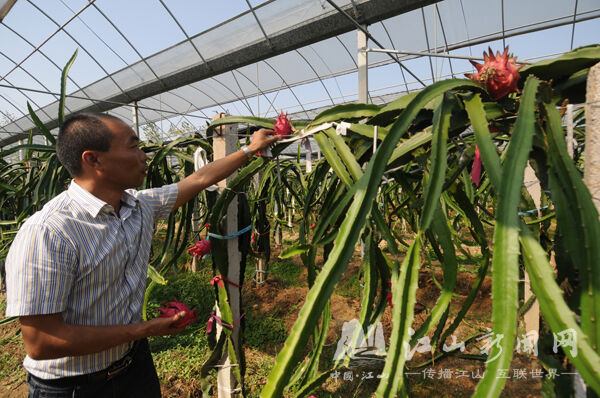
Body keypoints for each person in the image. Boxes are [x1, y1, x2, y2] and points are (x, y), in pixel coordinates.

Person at [4, 112, 280, 397]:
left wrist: (250, 149)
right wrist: (144, 329)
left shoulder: (139, 206)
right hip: (75, 387)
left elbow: (200, 179)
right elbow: (41, 342)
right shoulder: (49, 232)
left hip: (134, 366)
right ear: (93, 159)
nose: (144, 156)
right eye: (133, 146)